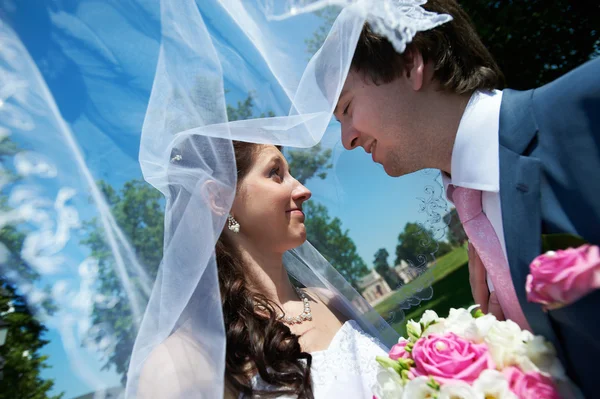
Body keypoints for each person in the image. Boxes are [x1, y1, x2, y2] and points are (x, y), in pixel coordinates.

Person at [333, 0, 600, 396]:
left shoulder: (585, 105)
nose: (347, 138)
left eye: (348, 108)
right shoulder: (468, 208)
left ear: (410, 64)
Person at [136, 141, 390, 398]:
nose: (303, 190)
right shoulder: (183, 361)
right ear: (219, 199)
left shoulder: (328, 299)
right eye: (275, 174)